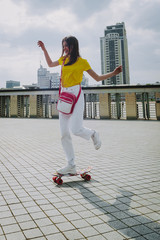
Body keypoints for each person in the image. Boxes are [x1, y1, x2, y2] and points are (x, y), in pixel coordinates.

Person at [38, 36, 122, 175]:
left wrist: (113, 73)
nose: (65, 48)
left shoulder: (82, 62)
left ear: (74, 46)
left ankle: (93, 134)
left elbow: (97, 78)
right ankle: (71, 165)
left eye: (67, 45)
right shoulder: (63, 60)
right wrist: (44, 48)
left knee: (76, 129)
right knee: (64, 134)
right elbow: (50, 64)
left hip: (76, 95)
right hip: (64, 96)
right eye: (63, 46)